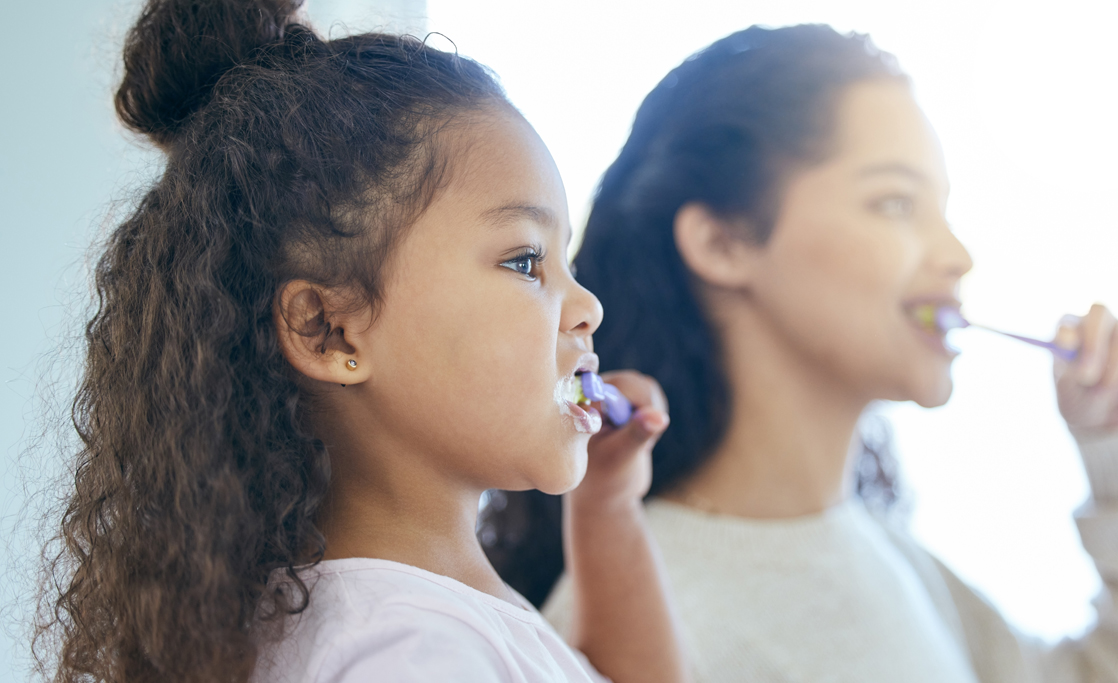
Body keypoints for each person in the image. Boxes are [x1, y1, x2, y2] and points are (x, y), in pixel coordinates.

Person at [485, 24, 1118, 682]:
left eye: (942, 209)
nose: (957, 254)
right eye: (894, 203)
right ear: (723, 242)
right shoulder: (628, 625)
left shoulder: (890, 559)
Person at [33, 2, 690, 682]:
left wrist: (605, 504)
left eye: (568, 262)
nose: (587, 306)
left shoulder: (411, 617)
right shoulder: (408, 652)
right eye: (525, 261)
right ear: (330, 330)